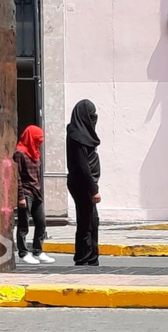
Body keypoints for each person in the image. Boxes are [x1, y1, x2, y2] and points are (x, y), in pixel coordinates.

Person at [66, 99, 102, 266]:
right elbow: (83, 166)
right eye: (91, 116)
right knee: (88, 221)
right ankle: (84, 257)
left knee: (90, 220)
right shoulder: (77, 137)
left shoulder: (80, 134)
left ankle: (90, 256)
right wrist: (93, 189)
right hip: (82, 184)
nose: (94, 119)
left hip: (85, 183)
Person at [14, 125, 54, 265]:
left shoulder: (35, 153)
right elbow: (17, 177)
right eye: (37, 140)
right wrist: (21, 197)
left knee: (41, 223)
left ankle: (38, 250)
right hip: (26, 192)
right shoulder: (20, 153)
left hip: (36, 193)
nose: (39, 143)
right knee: (24, 224)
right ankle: (23, 252)